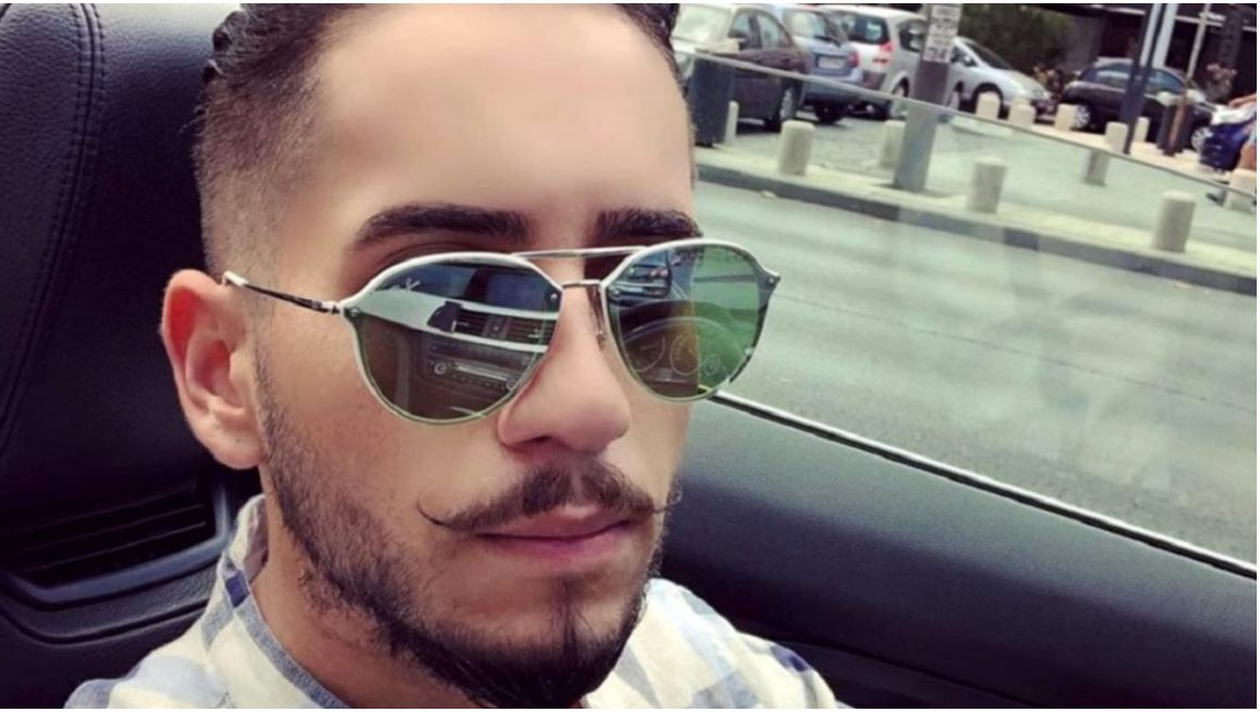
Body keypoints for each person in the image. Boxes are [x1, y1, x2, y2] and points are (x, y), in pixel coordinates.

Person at [65, 5, 837, 709]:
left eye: (654, 290)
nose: (592, 407)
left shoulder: (717, 671)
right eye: (449, 306)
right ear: (223, 375)